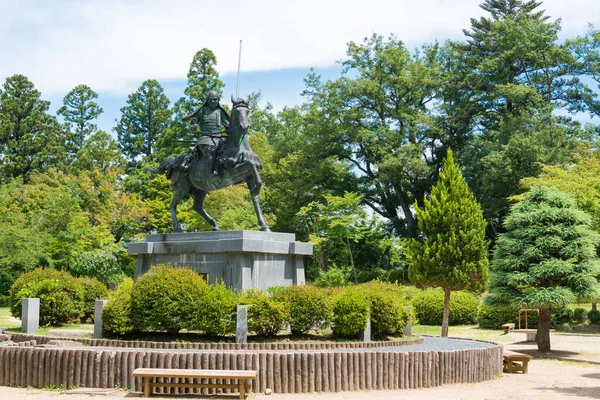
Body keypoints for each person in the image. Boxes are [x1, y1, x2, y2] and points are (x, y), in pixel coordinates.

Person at [181, 91, 230, 172]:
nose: (213, 101)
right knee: (210, 150)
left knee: (227, 151)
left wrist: (233, 131)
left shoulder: (220, 111)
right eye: (211, 99)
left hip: (218, 138)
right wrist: (193, 127)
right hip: (204, 138)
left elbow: (227, 125)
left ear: (218, 100)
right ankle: (202, 169)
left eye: (215, 99)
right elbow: (191, 126)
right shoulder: (202, 110)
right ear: (207, 100)